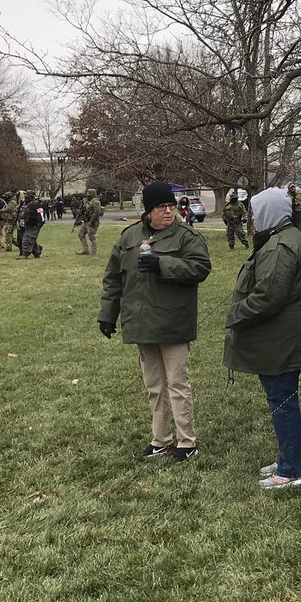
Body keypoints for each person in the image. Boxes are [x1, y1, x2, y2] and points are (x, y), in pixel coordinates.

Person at [98, 181, 211, 462]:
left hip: (173, 322)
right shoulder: (128, 238)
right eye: (161, 207)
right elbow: (114, 279)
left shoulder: (186, 236)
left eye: (171, 206)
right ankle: (160, 438)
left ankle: (187, 441)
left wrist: (163, 264)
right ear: (148, 210)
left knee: (178, 384)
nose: (168, 212)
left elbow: (200, 267)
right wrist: (107, 314)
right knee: (154, 386)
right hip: (142, 323)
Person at [224, 186, 301, 490]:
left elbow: (268, 297)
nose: (252, 218)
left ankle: (294, 468)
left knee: (282, 400)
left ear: (268, 212)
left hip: (283, 339)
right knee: (282, 399)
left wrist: (236, 314)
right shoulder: (282, 239)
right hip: (284, 337)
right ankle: (289, 457)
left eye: (255, 211)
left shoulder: (281, 246)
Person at [17, 191, 46, 259]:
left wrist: (40, 223)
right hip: (25, 225)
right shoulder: (24, 204)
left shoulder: (35, 204)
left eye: (27, 196)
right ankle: (37, 251)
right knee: (25, 239)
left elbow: (41, 214)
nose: (25, 197)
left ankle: (25, 254)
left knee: (27, 238)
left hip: (33, 224)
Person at [76, 189, 103, 256]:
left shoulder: (96, 202)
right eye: (87, 193)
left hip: (92, 222)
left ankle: (94, 252)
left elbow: (97, 213)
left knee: (92, 237)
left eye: (89, 193)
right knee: (81, 234)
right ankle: (86, 250)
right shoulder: (87, 201)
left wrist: (91, 222)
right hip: (85, 221)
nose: (87, 195)